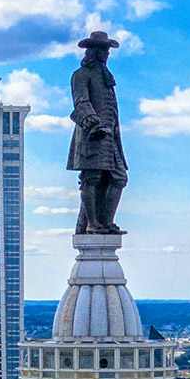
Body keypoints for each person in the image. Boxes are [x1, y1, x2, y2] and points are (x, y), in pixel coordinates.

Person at [67, 30, 126, 234]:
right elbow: (81, 102)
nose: (107, 53)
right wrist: (93, 124)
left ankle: (106, 222)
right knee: (91, 178)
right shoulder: (81, 75)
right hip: (91, 135)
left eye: (108, 49)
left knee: (119, 178)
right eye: (104, 49)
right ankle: (92, 224)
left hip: (110, 139)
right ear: (94, 51)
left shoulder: (105, 76)